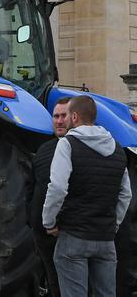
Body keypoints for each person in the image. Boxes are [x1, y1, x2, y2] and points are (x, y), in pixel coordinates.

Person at [42, 95, 132, 297]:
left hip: (74, 236)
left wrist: (48, 222)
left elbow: (57, 187)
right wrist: (113, 224)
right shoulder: (117, 149)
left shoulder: (67, 144)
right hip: (105, 240)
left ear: (74, 117)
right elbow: (126, 194)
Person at [26, 97, 71, 297]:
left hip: (65, 231)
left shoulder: (78, 149)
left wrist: (55, 221)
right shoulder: (44, 150)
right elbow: (32, 187)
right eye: (55, 116)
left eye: (63, 116)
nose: (59, 121)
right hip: (42, 234)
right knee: (52, 281)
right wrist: (32, 219)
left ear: (75, 117)